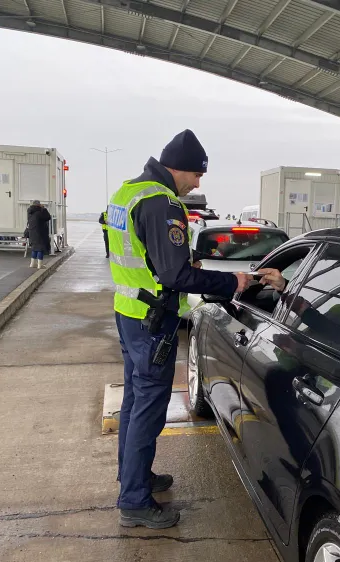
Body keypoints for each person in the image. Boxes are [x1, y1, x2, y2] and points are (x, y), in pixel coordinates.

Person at [109, 129, 253, 529]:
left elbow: (140, 255)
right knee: (149, 408)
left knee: (136, 401)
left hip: (129, 312)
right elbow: (174, 275)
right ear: (180, 169)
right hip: (153, 320)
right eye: (196, 174)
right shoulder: (162, 202)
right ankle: (135, 501)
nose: (197, 183)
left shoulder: (127, 192)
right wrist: (232, 283)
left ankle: (133, 478)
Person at [27, 200, 51, 269]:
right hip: (40, 233)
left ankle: (32, 263)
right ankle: (40, 265)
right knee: (40, 248)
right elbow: (48, 217)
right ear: (38, 205)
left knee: (34, 248)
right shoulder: (39, 212)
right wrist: (44, 209)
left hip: (32, 233)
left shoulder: (30, 212)